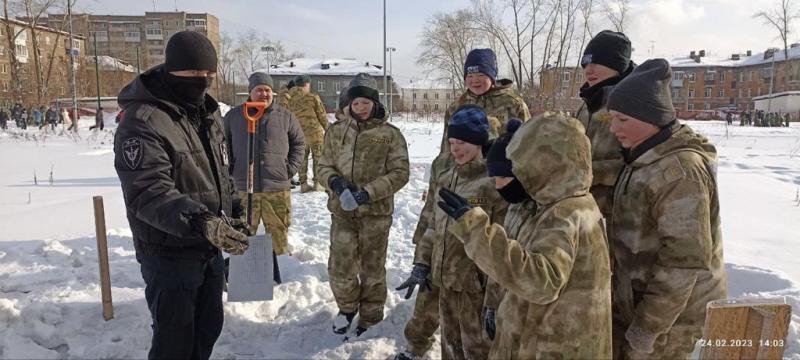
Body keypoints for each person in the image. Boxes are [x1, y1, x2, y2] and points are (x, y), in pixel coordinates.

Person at [114, 30, 249, 359]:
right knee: (174, 342)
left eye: (208, 74)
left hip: (207, 249)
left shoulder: (207, 112)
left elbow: (220, 169)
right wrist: (202, 221)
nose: (202, 80)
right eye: (193, 73)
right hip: (168, 253)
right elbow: (148, 190)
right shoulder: (143, 121)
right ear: (172, 69)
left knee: (207, 330)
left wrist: (235, 208)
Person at [436, 112, 613, 359]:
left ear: (542, 166)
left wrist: (477, 233)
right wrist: (493, 303)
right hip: (526, 335)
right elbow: (511, 258)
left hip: (555, 346)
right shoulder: (531, 204)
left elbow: (542, 281)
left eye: (505, 176)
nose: (499, 186)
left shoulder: (566, 213)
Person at [395, 47, 531, 360]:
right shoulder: (457, 108)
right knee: (439, 310)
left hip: (496, 179)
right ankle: (417, 344)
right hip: (450, 217)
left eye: (480, 74)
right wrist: (422, 255)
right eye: (470, 74)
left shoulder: (512, 103)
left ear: (492, 76)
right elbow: (448, 148)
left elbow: (524, 145)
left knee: (477, 334)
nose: (475, 79)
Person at [606, 59, 727, 359]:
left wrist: (648, 327)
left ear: (650, 116)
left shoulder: (680, 172)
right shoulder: (644, 157)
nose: (613, 128)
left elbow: (683, 264)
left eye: (621, 119)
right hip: (640, 306)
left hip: (671, 323)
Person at [398, 105, 508, 359]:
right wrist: (422, 262)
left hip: (475, 288)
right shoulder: (447, 178)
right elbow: (433, 227)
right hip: (444, 281)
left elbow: (504, 243)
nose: (455, 149)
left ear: (480, 142)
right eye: (452, 142)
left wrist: (494, 298)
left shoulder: (494, 183)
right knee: (449, 347)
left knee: (477, 350)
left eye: (462, 142)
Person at [317, 72, 410, 337]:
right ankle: (346, 308)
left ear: (375, 103)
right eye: (356, 103)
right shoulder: (336, 132)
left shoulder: (390, 135)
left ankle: (370, 316)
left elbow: (400, 173)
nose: (360, 108)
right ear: (349, 103)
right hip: (343, 212)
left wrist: (367, 193)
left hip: (376, 215)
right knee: (340, 265)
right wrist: (335, 182)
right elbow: (323, 164)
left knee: (372, 268)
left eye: (366, 103)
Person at [224, 72, 305, 278]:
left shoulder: (285, 116)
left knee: (278, 231)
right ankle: (245, 275)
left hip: (276, 188)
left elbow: (299, 143)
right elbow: (222, 145)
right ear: (250, 92)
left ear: (273, 93)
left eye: (267, 90)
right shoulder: (234, 116)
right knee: (241, 232)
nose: (264, 94)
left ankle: (280, 274)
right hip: (243, 187)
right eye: (259, 89)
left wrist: (289, 169)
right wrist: (230, 170)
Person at [575, 30, 635, 217]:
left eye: (596, 62)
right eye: (585, 64)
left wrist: (586, 173)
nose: (588, 70)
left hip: (621, 215)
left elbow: (640, 166)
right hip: (586, 212)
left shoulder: (635, 104)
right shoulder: (586, 106)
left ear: (617, 64)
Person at [286, 74, 329, 193]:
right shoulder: (313, 97)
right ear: (306, 84)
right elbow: (322, 116)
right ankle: (317, 183)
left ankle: (304, 184)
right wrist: (328, 129)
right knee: (318, 158)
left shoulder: (289, 100)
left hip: (298, 135)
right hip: (315, 133)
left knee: (302, 159)